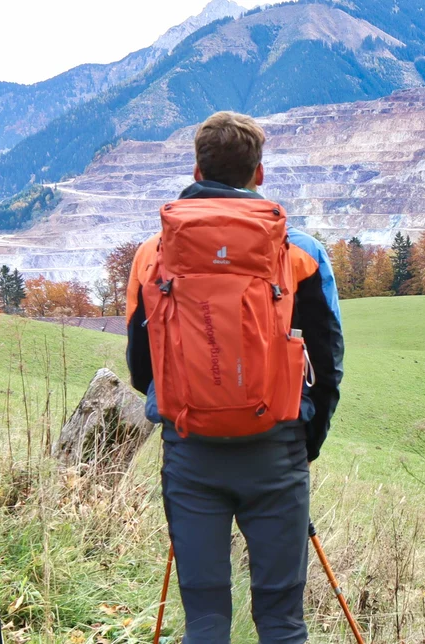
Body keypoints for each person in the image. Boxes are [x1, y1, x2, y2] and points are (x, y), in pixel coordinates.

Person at [125, 112, 344, 643]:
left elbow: (140, 367)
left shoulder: (154, 256)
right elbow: (328, 359)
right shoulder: (300, 252)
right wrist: (305, 441)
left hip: (191, 450)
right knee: (283, 622)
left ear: (197, 168)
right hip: (277, 449)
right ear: (259, 174)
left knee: (204, 621)